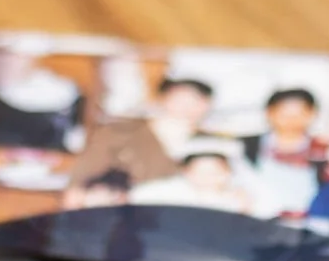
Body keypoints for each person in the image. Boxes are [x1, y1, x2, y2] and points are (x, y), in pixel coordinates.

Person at [62, 77, 215, 207]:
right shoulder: (119, 132)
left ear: (207, 106)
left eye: (197, 101)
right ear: (162, 99)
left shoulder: (212, 144)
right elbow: (80, 182)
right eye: (180, 99)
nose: (187, 108)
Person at [241, 88, 327, 218]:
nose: (291, 120)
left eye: (299, 113)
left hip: (305, 225)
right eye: (284, 113)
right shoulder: (246, 145)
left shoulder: (324, 150)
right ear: (269, 113)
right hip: (253, 220)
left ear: (313, 115)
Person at [129, 149, 255, 214]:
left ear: (228, 172)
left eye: (215, 172)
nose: (207, 178)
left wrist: (245, 209)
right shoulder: (169, 189)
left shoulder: (238, 198)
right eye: (200, 172)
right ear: (186, 172)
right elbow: (134, 196)